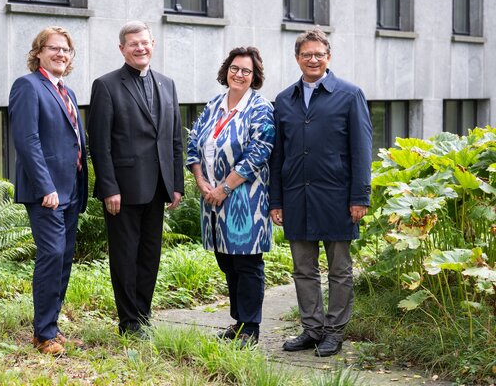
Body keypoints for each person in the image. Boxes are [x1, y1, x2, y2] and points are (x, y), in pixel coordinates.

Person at [269, 28, 372, 357]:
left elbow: (362, 149)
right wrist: (276, 200)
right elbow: (278, 156)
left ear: (328, 57)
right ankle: (311, 329)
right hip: (297, 196)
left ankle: (335, 332)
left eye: (319, 54)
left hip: (338, 197)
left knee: (339, 270)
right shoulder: (285, 100)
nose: (312, 59)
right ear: (297, 58)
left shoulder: (349, 94)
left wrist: (360, 197)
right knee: (303, 268)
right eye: (306, 54)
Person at [87, 21, 183, 337]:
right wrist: (109, 186)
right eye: (133, 44)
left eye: (144, 42)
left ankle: (144, 316)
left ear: (152, 43)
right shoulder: (106, 85)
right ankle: (129, 322)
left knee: (150, 256)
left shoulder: (167, 84)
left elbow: (173, 140)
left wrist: (176, 184)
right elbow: (99, 143)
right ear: (122, 49)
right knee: (125, 256)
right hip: (123, 190)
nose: (140, 48)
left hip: (158, 187)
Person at [186, 47, 275, 347]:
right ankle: (238, 321)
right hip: (211, 199)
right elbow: (192, 143)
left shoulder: (260, 108)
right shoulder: (214, 104)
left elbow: (258, 153)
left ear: (255, 76)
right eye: (234, 68)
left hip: (244, 199)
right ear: (226, 70)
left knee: (247, 263)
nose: (239, 74)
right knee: (226, 261)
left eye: (246, 71)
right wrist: (201, 181)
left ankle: (251, 327)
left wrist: (225, 187)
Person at [9, 26, 88, 355]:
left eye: (66, 50)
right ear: (38, 52)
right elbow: (27, 141)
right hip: (47, 193)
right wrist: (46, 187)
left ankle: (51, 328)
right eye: (53, 48)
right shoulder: (28, 86)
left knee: (64, 258)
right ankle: (43, 334)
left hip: (70, 191)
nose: (60, 54)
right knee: (52, 255)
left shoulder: (64, 91)